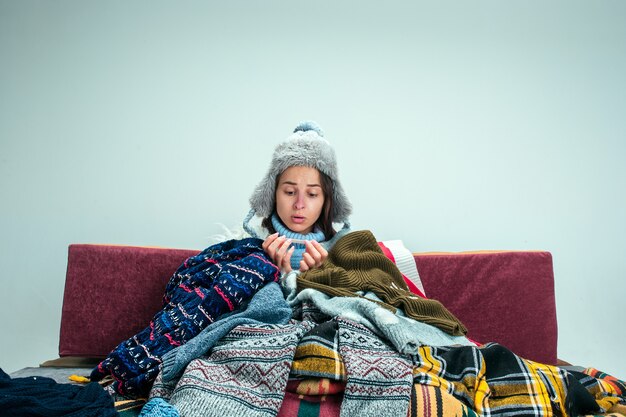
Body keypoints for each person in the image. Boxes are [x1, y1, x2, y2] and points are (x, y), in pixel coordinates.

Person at [243, 120, 353, 273]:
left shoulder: (345, 252)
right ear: (272, 193)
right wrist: (273, 271)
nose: (299, 204)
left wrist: (318, 276)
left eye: (312, 194)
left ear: (326, 200)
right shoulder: (247, 248)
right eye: (289, 192)